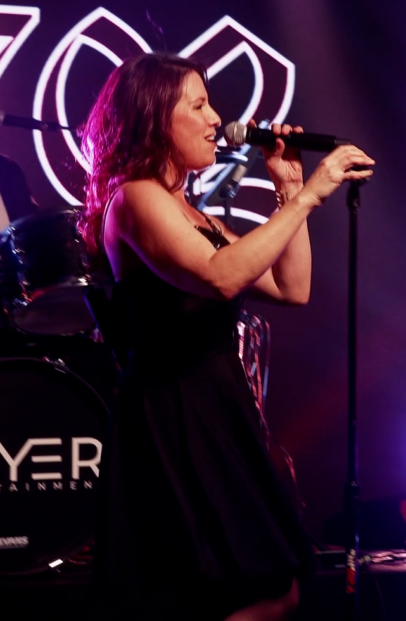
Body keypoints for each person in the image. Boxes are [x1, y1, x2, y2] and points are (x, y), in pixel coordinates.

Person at [79, 53, 374, 621]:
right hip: (175, 411)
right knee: (246, 589)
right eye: (198, 105)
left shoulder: (196, 215)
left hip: (219, 409)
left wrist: (290, 191)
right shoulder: (135, 197)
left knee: (271, 587)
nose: (216, 118)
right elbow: (222, 276)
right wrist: (313, 193)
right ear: (154, 120)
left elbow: (291, 288)